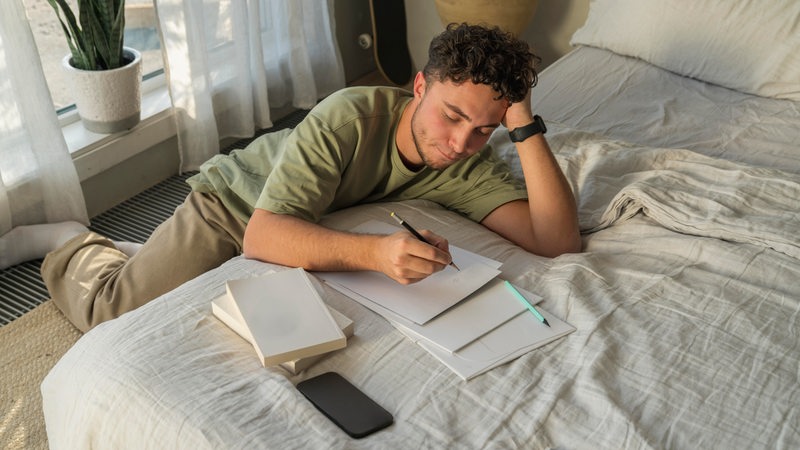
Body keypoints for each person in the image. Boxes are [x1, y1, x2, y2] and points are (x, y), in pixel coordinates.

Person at [3, 23, 580, 332]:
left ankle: (145, 253)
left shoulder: (465, 159)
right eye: (452, 116)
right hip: (236, 205)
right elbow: (261, 237)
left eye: (483, 129)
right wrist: (379, 255)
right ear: (420, 87)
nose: (460, 143)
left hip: (301, 214)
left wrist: (523, 125)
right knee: (110, 309)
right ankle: (68, 239)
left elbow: (556, 241)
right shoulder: (352, 114)